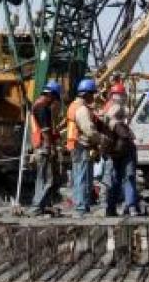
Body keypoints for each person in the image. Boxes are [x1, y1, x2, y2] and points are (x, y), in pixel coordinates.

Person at [66, 78, 108, 215]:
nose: (93, 97)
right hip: (82, 146)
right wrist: (102, 139)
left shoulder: (74, 105)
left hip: (76, 145)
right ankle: (81, 208)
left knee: (80, 176)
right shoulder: (82, 109)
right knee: (82, 177)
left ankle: (82, 206)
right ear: (86, 94)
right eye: (92, 94)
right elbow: (89, 131)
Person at [102, 81, 139, 217]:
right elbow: (124, 135)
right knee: (126, 178)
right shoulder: (116, 119)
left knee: (116, 179)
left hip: (115, 152)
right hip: (123, 151)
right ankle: (130, 207)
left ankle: (113, 208)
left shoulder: (108, 114)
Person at [29, 81, 62, 215]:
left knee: (41, 177)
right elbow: (45, 130)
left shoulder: (36, 106)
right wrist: (50, 147)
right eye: (54, 99)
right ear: (50, 95)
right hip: (43, 147)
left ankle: (39, 205)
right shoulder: (43, 108)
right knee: (48, 179)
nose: (54, 102)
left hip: (39, 146)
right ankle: (37, 206)